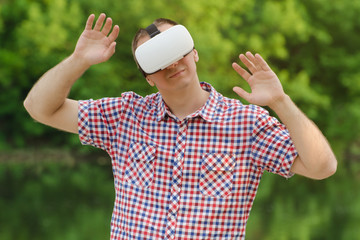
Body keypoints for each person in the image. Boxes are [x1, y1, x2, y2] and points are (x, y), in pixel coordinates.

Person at [24, 13, 337, 240]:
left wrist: (280, 101)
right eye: (158, 60)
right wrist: (78, 60)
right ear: (148, 77)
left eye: (177, 51)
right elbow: (39, 108)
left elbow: (322, 167)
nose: (172, 64)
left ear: (194, 53)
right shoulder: (124, 117)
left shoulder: (246, 124)